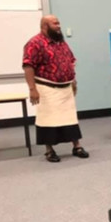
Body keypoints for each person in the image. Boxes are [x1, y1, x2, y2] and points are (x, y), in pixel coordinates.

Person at [22, 15, 89, 162]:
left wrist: (73, 81)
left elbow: (70, 62)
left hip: (66, 89)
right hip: (47, 88)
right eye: (55, 24)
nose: (59, 26)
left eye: (59, 23)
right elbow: (28, 66)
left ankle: (76, 146)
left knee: (70, 118)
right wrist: (32, 89)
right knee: (48, 120)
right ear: (44, 26)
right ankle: (49, 150)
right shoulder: (34, 43)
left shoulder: (61, 43)